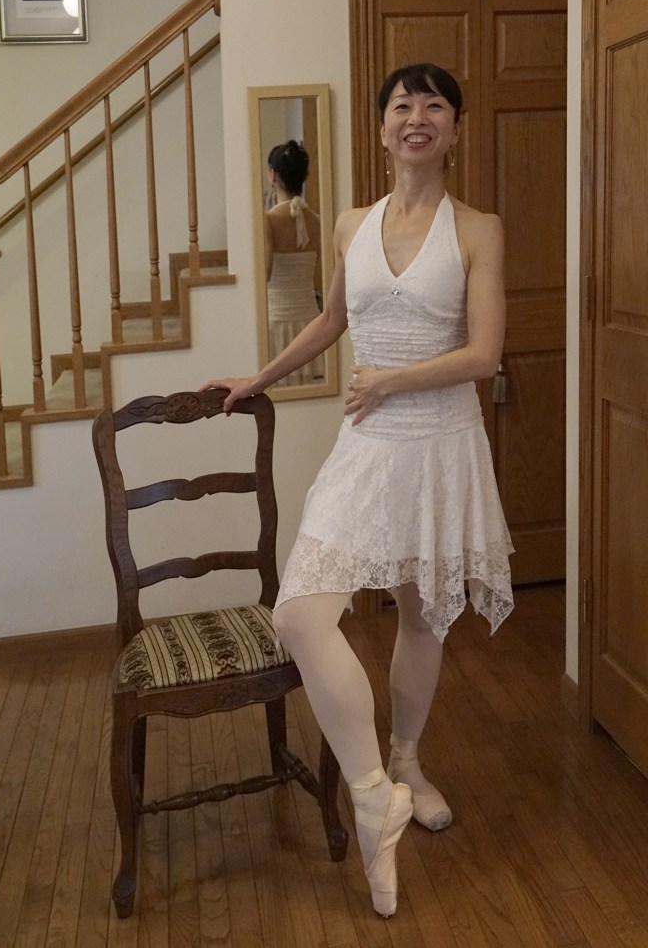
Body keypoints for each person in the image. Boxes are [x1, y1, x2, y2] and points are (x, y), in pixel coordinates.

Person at [199, 63, 514, 919]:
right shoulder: (349, 223)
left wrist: (392, 380)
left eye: (435, 105)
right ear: (381, 130)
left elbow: (485, 355)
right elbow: (332, 320)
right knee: (303, 613)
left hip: (441, 445)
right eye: (402, 105)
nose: (417, 117)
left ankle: (408, 758)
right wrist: (257, 376)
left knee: (421, 615)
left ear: (454, 129)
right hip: (368, 446)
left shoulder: (478, 228)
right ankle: (376, 795)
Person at [264, 140, 324, 386]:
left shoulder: (268, 220)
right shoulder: (318, 220)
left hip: (277, 320)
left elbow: (264, 273)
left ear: (273, 176)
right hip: (311, 319)